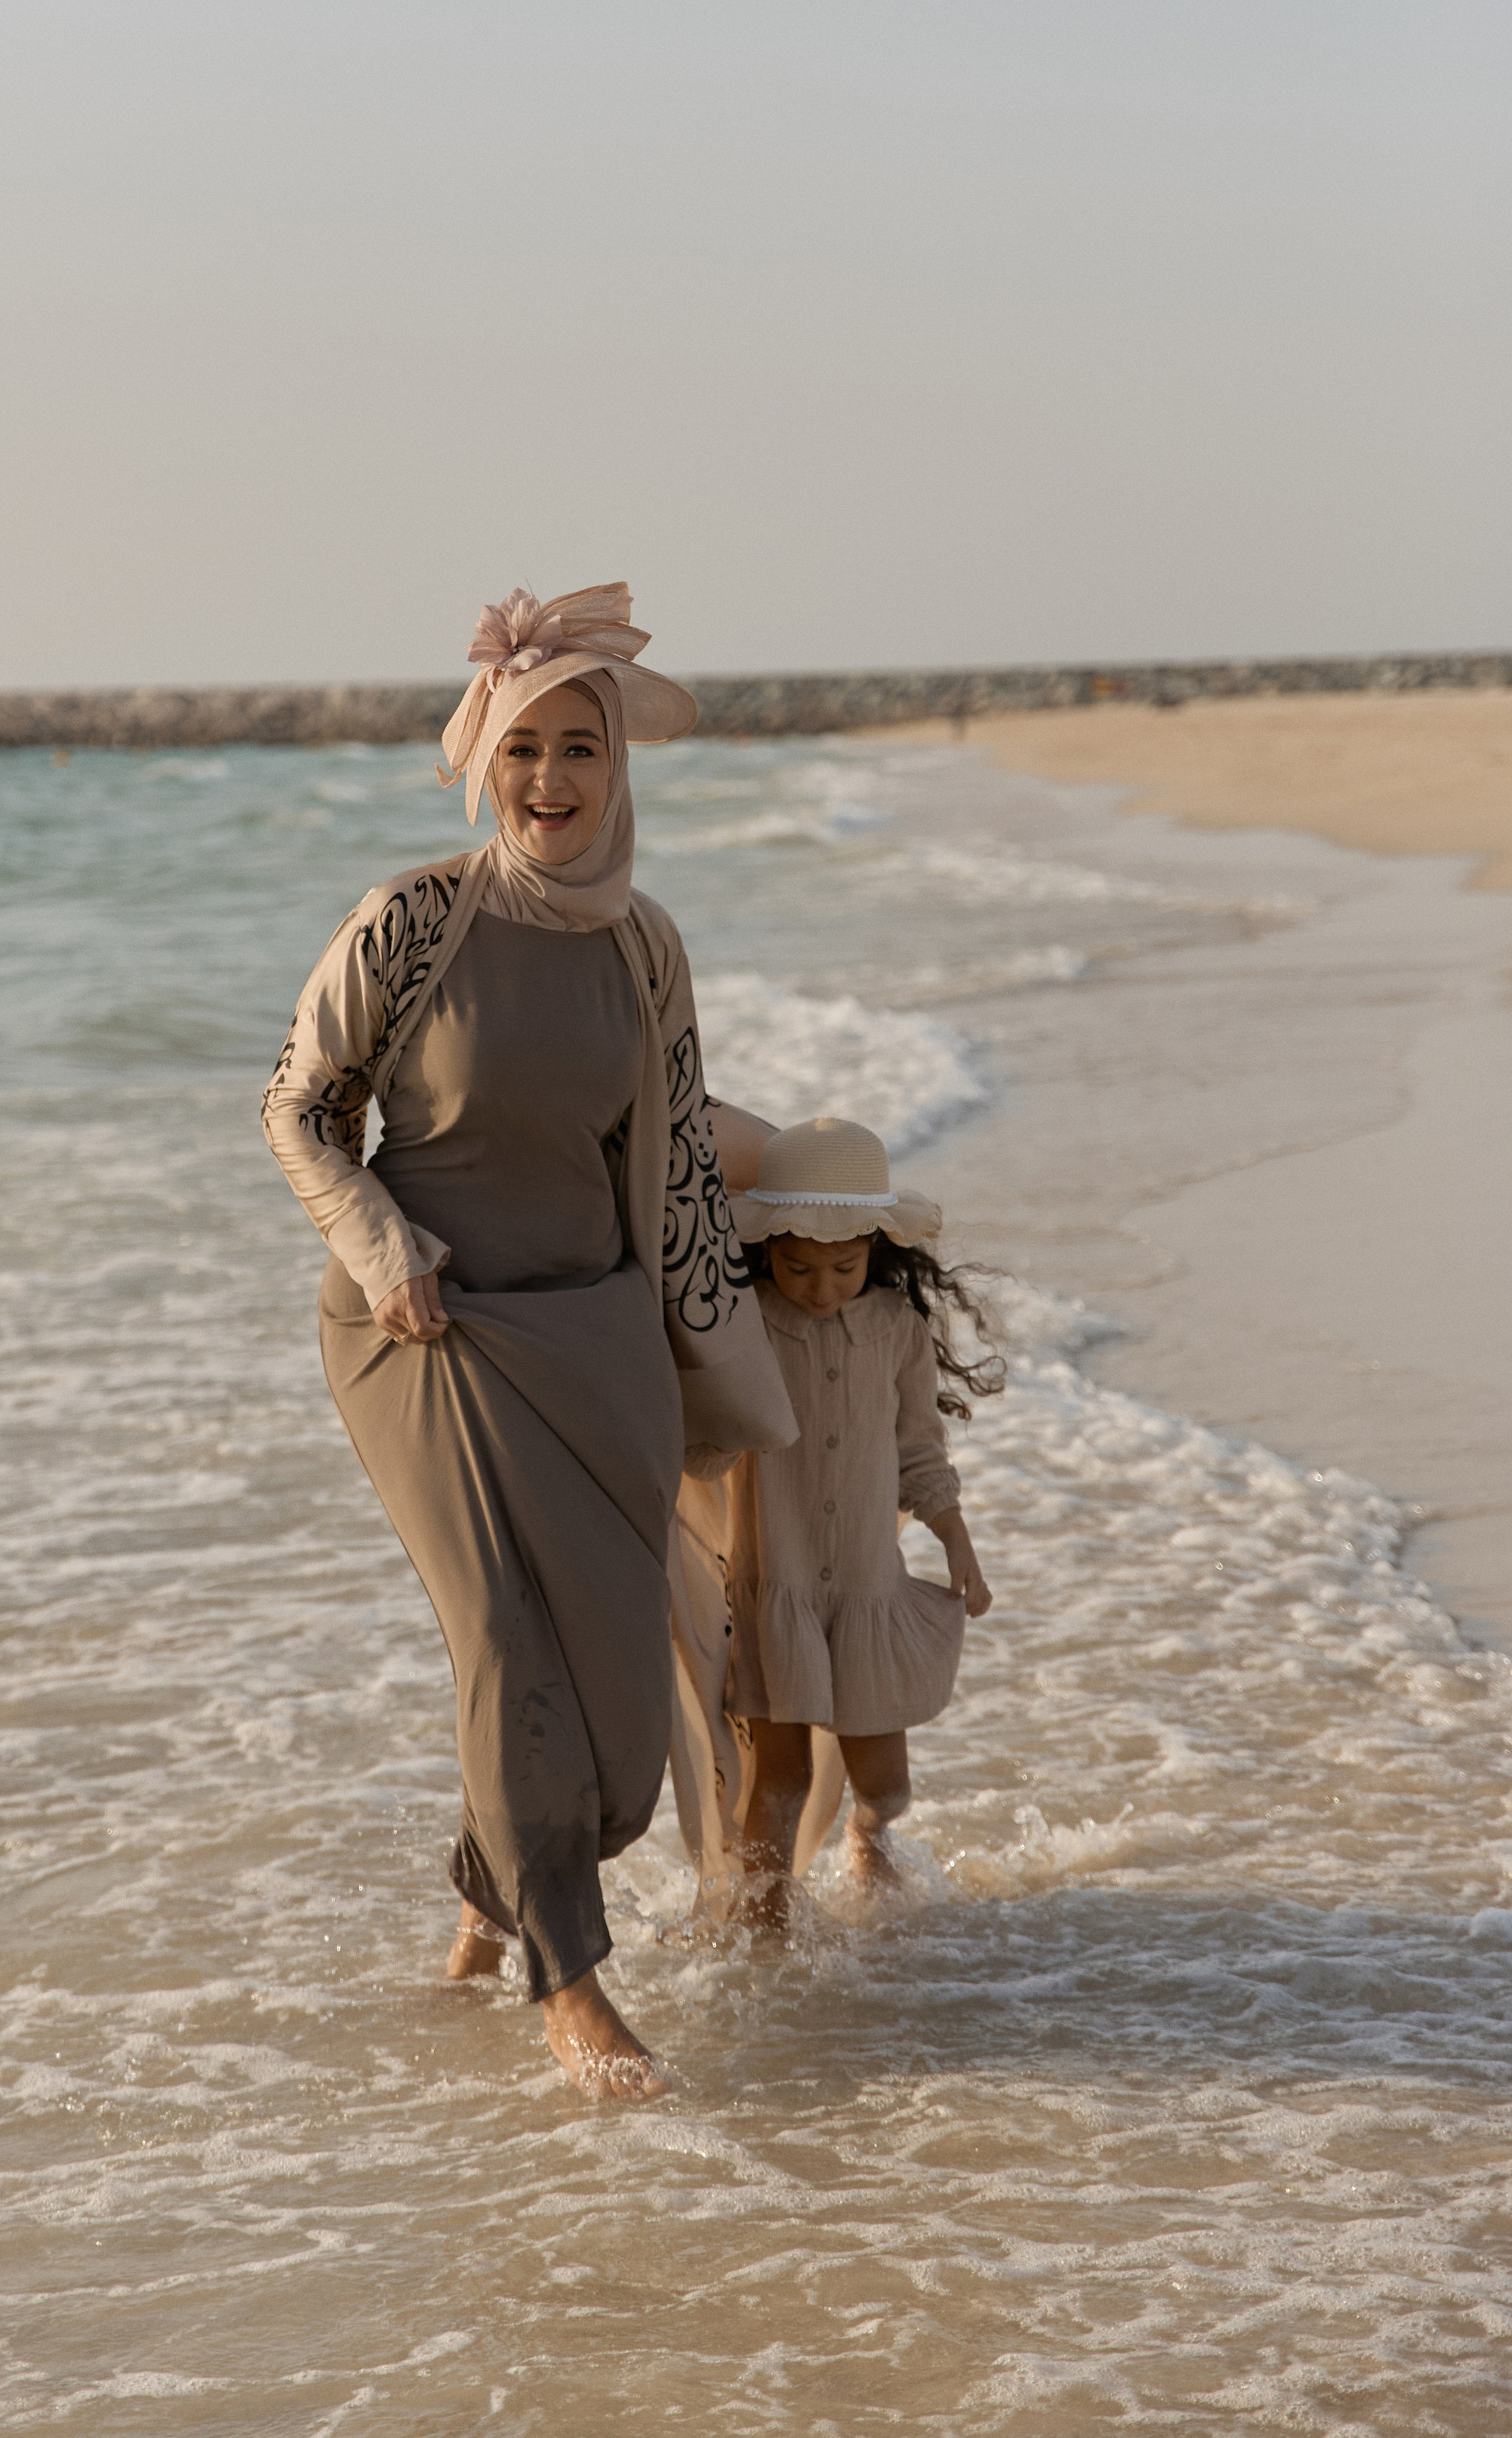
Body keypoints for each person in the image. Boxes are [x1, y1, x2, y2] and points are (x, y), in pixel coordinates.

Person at [261, 582, 792, 2098]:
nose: (550, 783)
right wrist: (382, 1246)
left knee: (625, 1712)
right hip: (423, 1329)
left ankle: (496, 1879)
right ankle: (576, 1989)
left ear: (617, 767)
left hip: (599, 1337)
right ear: (482, 761)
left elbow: (676, 1150)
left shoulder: (645, 948)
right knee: (500, 1637)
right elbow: (297, 1111)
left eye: (579, 751)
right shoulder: (409, 922)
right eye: (523, 753)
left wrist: (802, 1214)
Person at [670, 1116, 1000, 1927]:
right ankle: (764, 1921)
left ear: (876, 1252)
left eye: (844, 1268)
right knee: (777, 1782)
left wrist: (956, 1541)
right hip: (771, 1584)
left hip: (865, 1587)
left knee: (885, 1781)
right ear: (768, 1245)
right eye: (798, 1265)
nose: (820, 1287)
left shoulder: (896, 1330)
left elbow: (918, 1449)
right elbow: (705, 1455)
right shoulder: (745, 1322)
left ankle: (867, 1835)